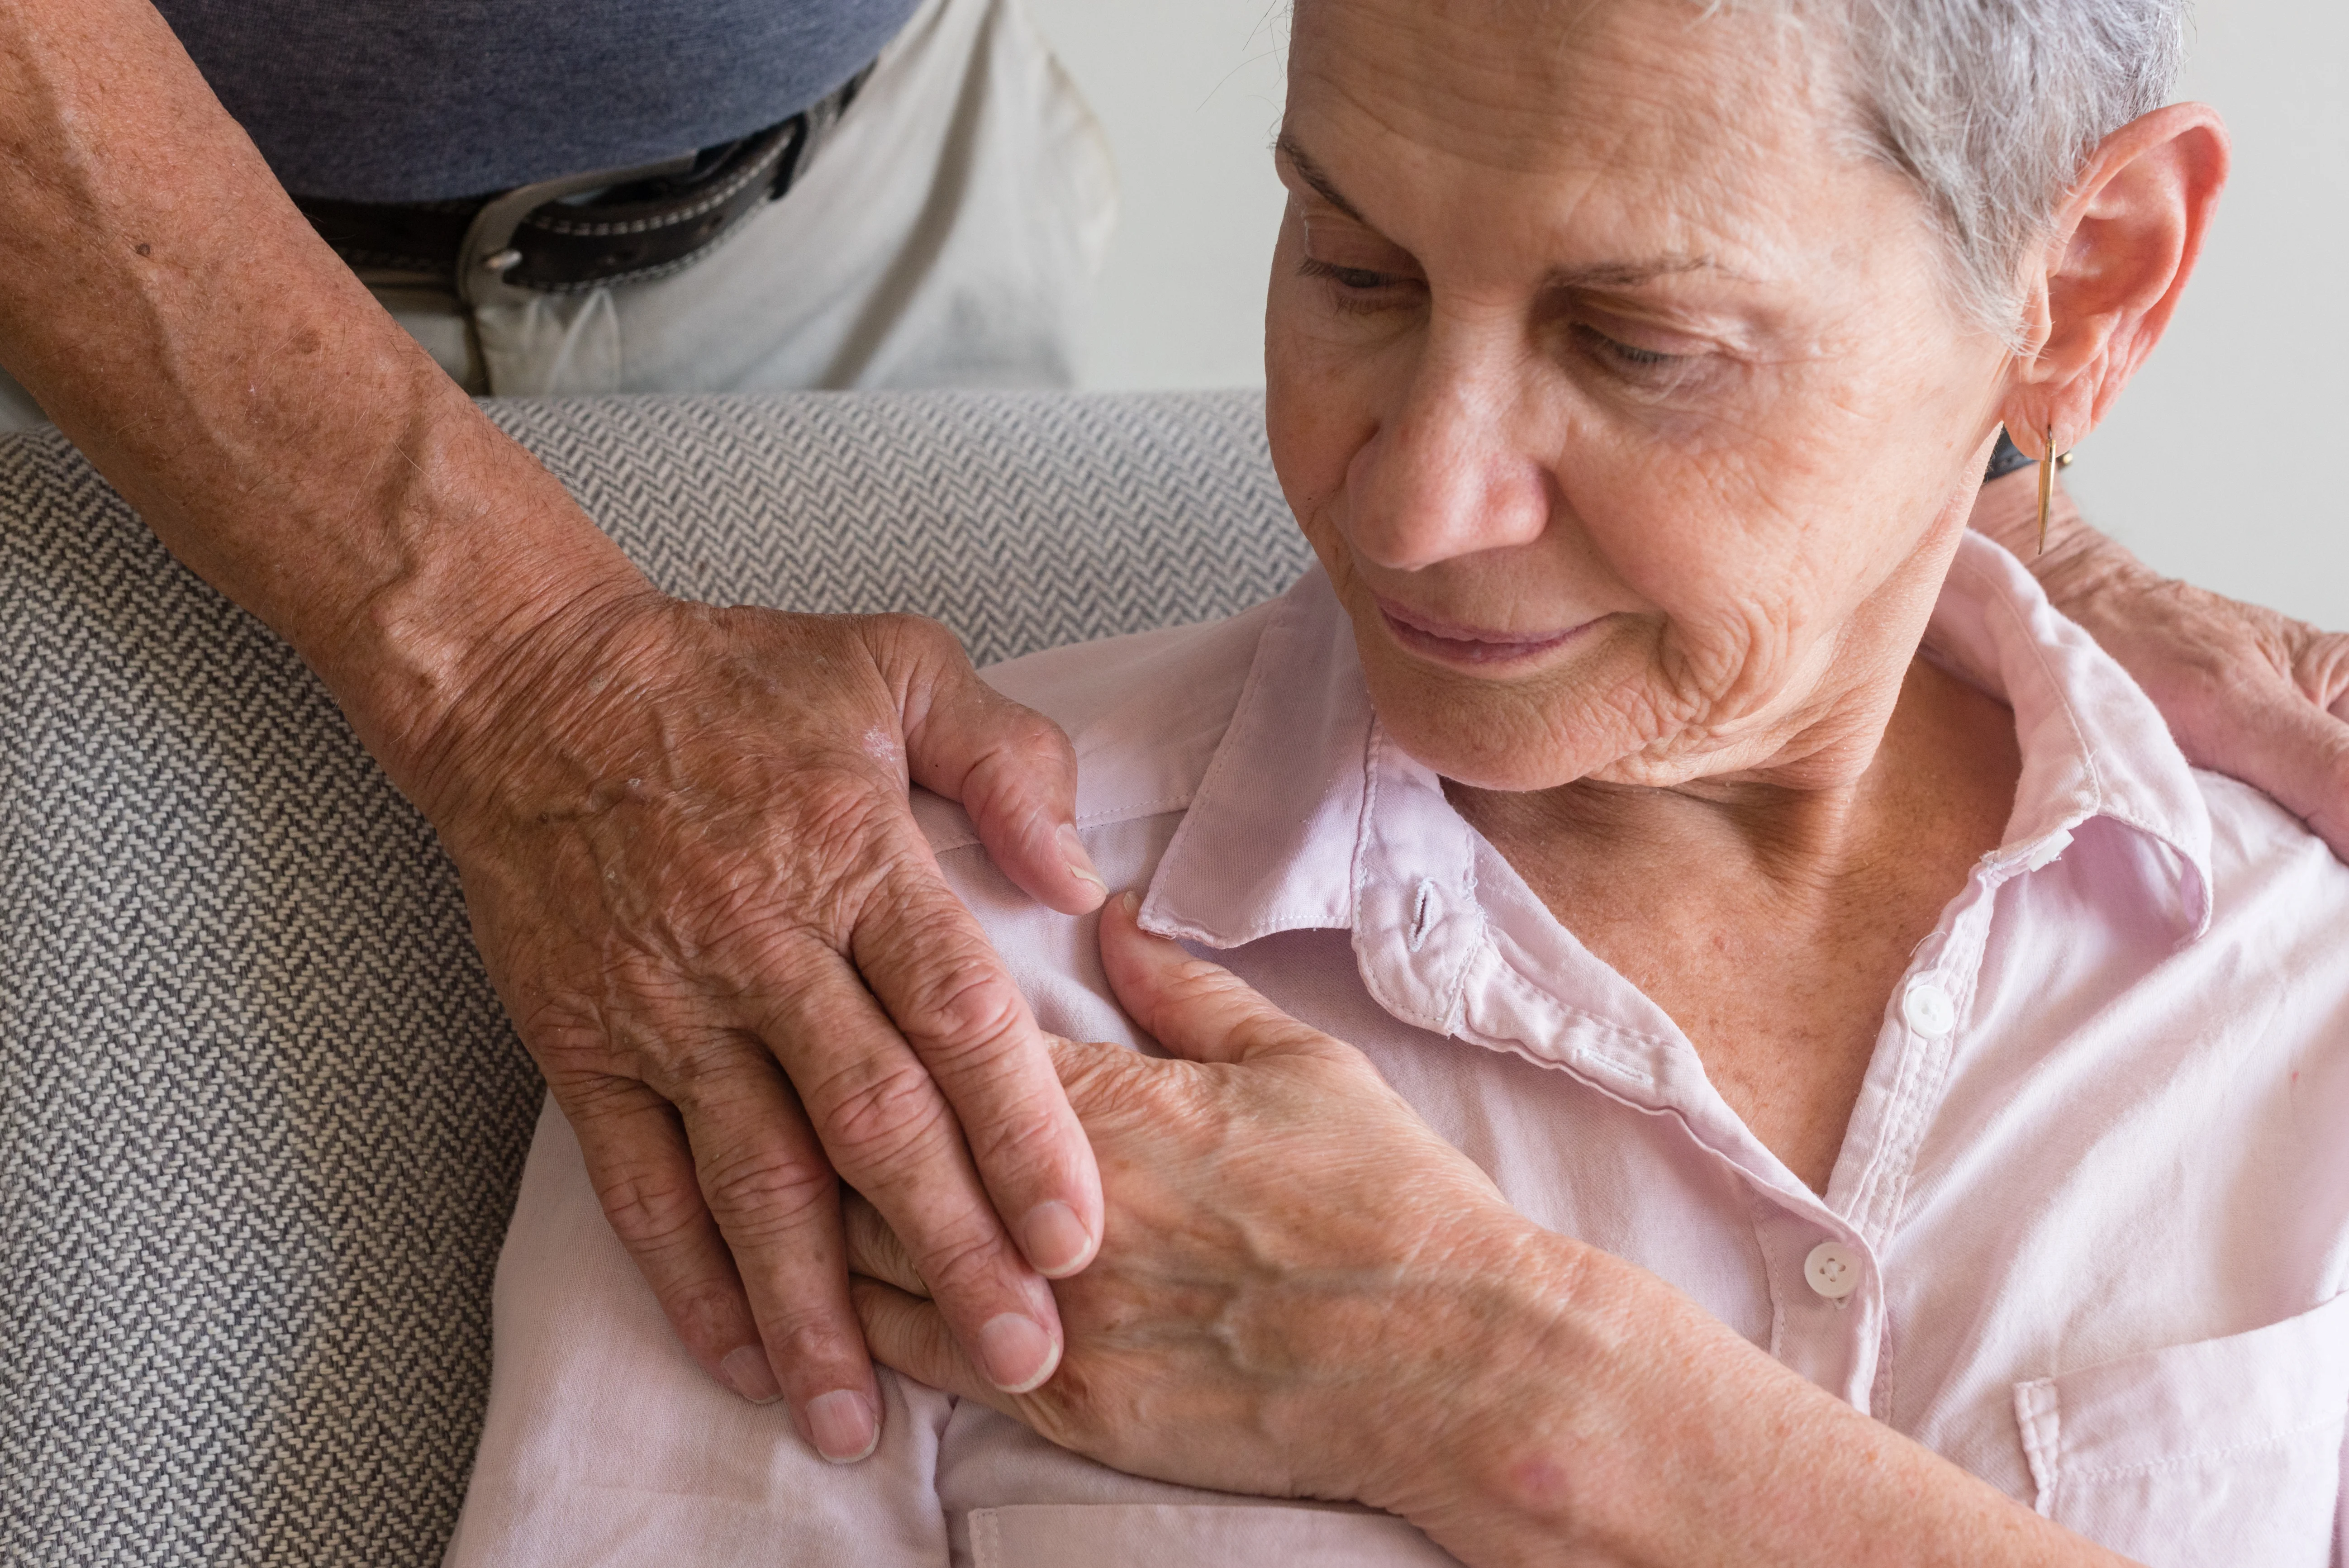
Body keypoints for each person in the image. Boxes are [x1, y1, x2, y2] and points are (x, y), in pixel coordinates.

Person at [2, 0, 2345, 1483]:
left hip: (813, 154)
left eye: (1640, 341)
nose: (1407, 502)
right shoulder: (891, 961)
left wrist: (1529, 1403)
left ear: (2094, 279)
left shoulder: (2285, 964)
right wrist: (517, 672)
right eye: (1347, 267)